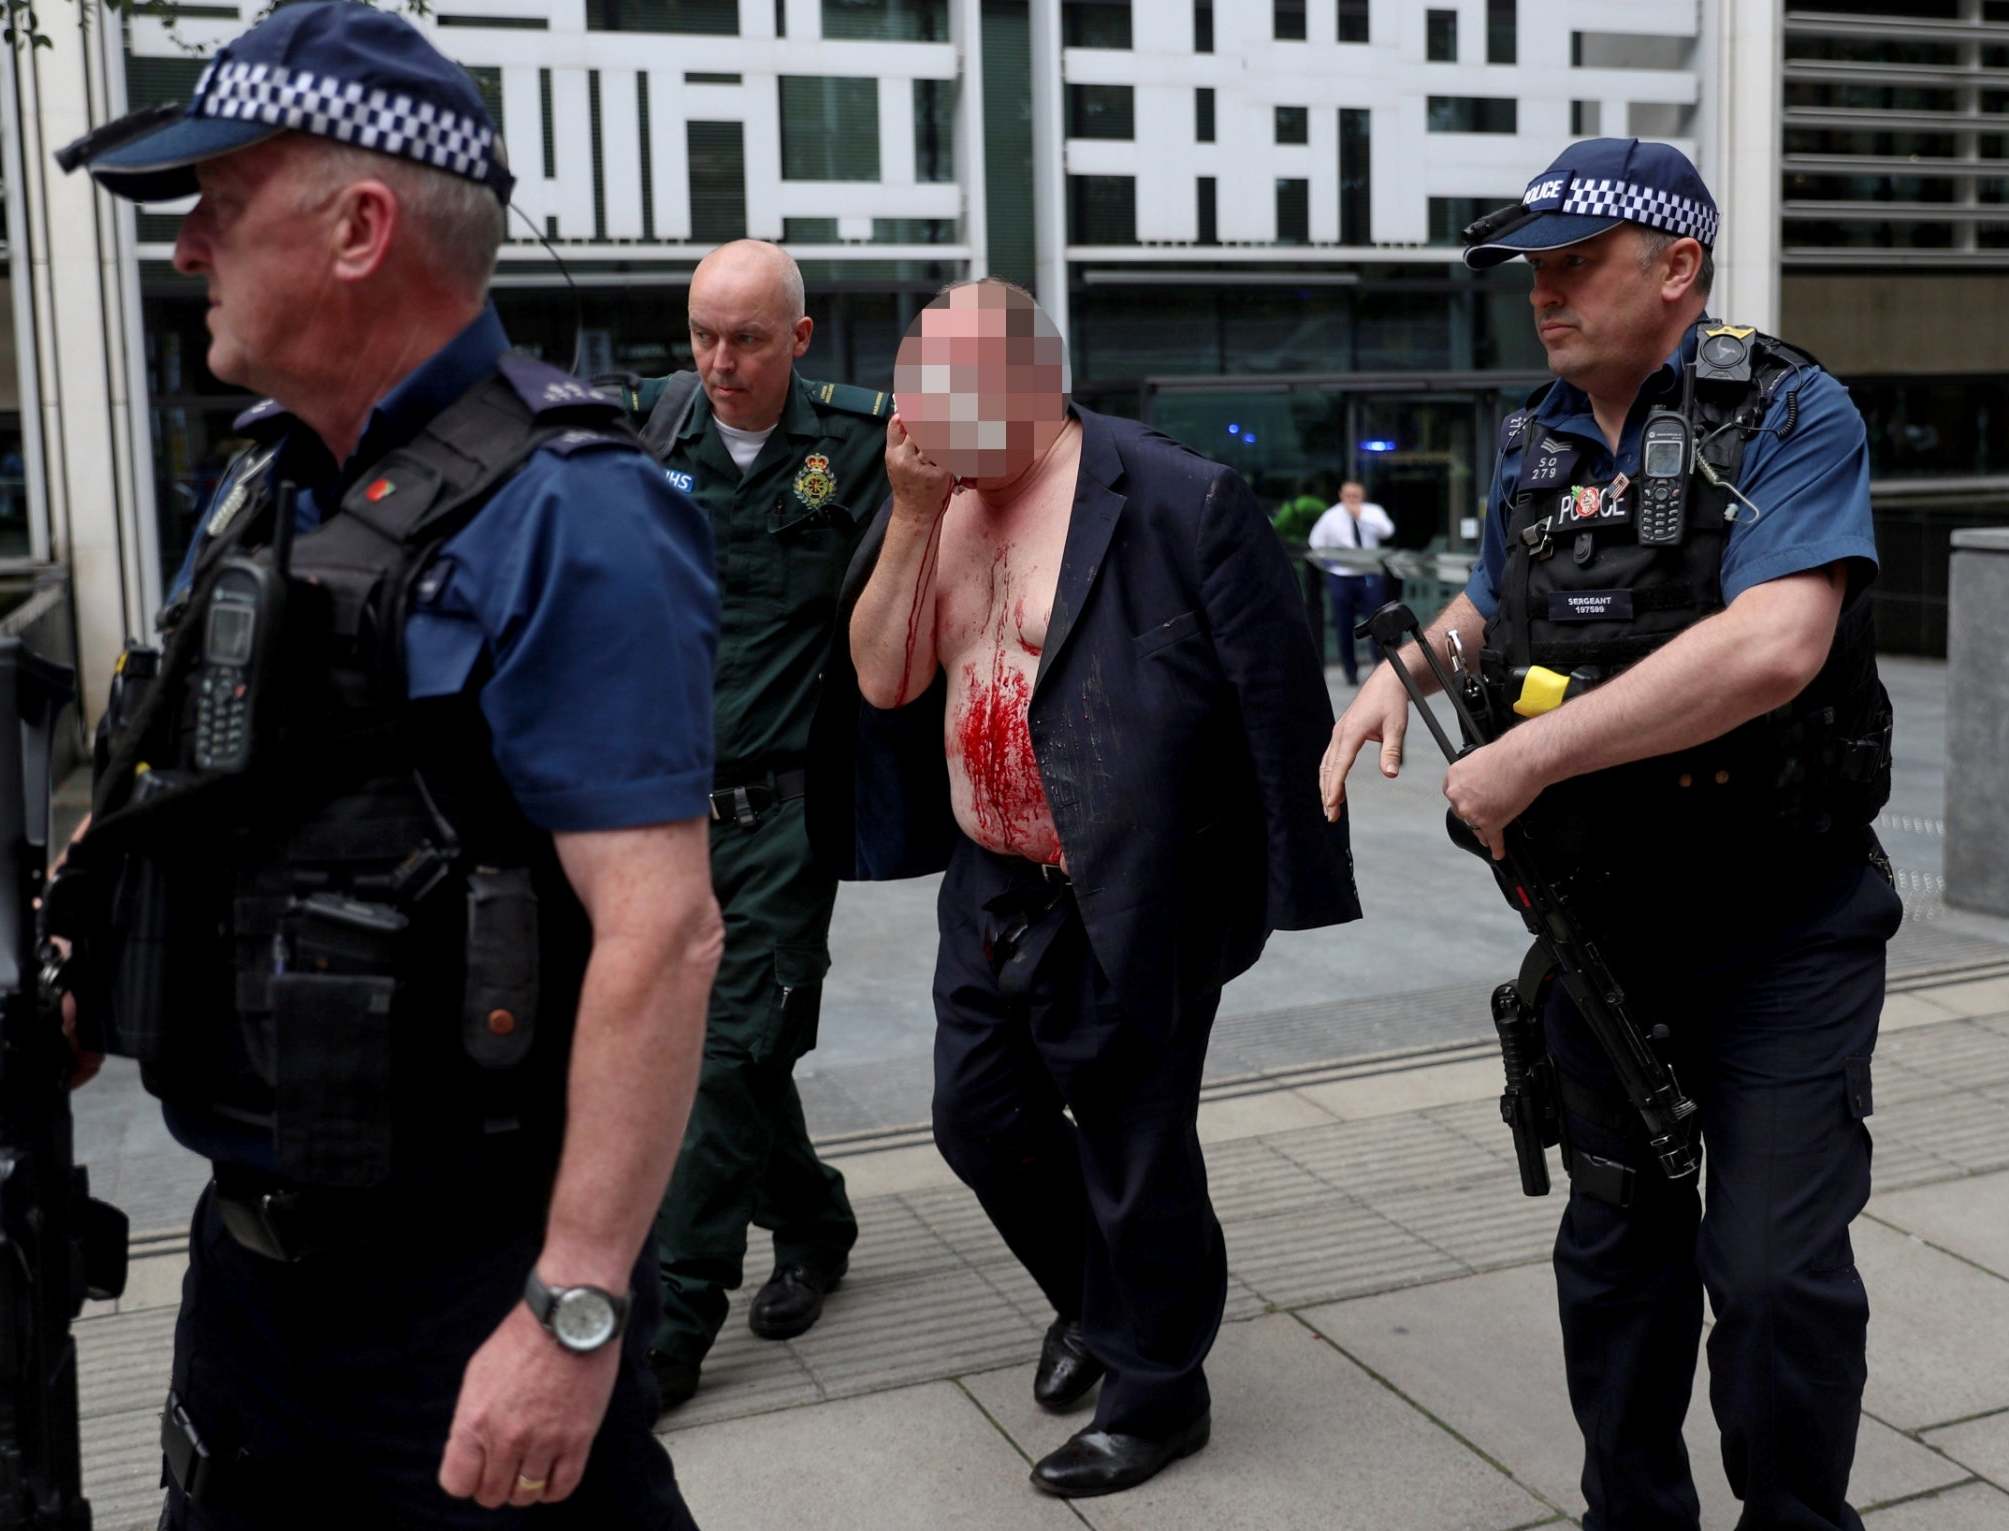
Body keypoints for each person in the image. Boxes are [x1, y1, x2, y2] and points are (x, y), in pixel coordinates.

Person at [54, 6, 721, 1525]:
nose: (186, 253)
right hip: (253, 1282)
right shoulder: (267, 484)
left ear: (360, 228)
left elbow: (664, 930)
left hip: (467, 1293)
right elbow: (233, 810)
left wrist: (572, 1314)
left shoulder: (577, 516)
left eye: (217, 208)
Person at [1321, 138, 1899, 1531]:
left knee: (1771, 1273)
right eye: (1534, 268)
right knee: (1617, 1256)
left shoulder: (1790, 414)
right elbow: (1486, 605)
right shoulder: (1538, 436)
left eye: (1575, 261)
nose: (1544, 291)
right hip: (1603, 932)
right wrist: (1394, 679)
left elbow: (1771, 647)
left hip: (1782, 927)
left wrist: (1523, 757)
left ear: (1677, 266)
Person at [817, 279, 1360, 1498]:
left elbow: (1278, 701)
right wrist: (908, 520)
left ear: (1024, 381)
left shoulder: (1174, 495)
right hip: (991, 881)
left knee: (1134, 1150)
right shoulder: (930, 498)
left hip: (1133, 884)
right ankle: (1102, 1304)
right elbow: (886, 682)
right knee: (978, 1121)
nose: (916, 419)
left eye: (941, 395)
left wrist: (1262, 898)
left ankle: (1159, 1390)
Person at [625, 240, 891, 1409]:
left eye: (743, 339)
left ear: (799, 338)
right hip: (654, 816)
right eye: (700, 335)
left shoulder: (865, 443)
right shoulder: (641, 433)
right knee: (734, 1059)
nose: (718, 362)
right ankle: (816, 1221)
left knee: (724, 1059)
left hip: (781, 814)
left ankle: (674, 1326)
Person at [1306, 480, 1396, 680]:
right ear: (1341, 495)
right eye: (1348, 496)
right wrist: (1330, 565)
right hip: (1341, 575)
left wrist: (1360, 517)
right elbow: (1315, 542)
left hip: (1368, 574)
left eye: (1356, 496)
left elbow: (1387, 531)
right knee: (1344, 624)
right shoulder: (1331, 516)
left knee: (1376, 622)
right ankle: (1350, 671)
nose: (1351, 500)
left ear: (1363, 495)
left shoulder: (1372, 512)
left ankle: (1380, 666)